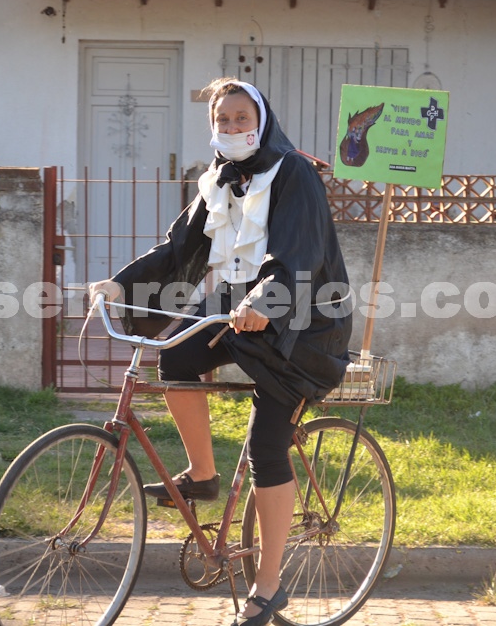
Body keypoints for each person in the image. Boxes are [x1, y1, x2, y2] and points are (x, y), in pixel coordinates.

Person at [90, 78, 352, 626]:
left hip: (302, 325)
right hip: (238, 312)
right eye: (222, 119)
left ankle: (269, 586)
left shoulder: (294, 173)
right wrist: (120, 283)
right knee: (177, 354)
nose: (231, 127)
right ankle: (204, 476)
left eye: (240, 117)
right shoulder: (217, 178)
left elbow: (300, 253)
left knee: (266, 450)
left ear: (260, 119)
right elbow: (178, 248)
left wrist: (264, 298)